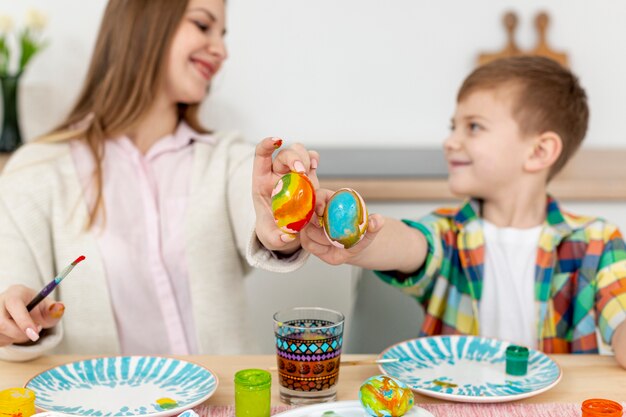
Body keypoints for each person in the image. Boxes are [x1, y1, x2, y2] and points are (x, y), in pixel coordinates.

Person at [0, 0, 317, 361]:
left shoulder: (228, 159)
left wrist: (280, 227)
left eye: (222, 34)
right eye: (202, 25)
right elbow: (13, 300)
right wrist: (17, 322)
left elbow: (260, 219)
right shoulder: (34, 172)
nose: (222, 50)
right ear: (142, 23)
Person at [301, 56, 626, 368]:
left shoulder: (597, 241)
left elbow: (621, 319)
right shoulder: (448, 232)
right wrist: (362, 240)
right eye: (452, 126)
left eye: (473, 127)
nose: (450, 141)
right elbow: (409, 244)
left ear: (539, 151)